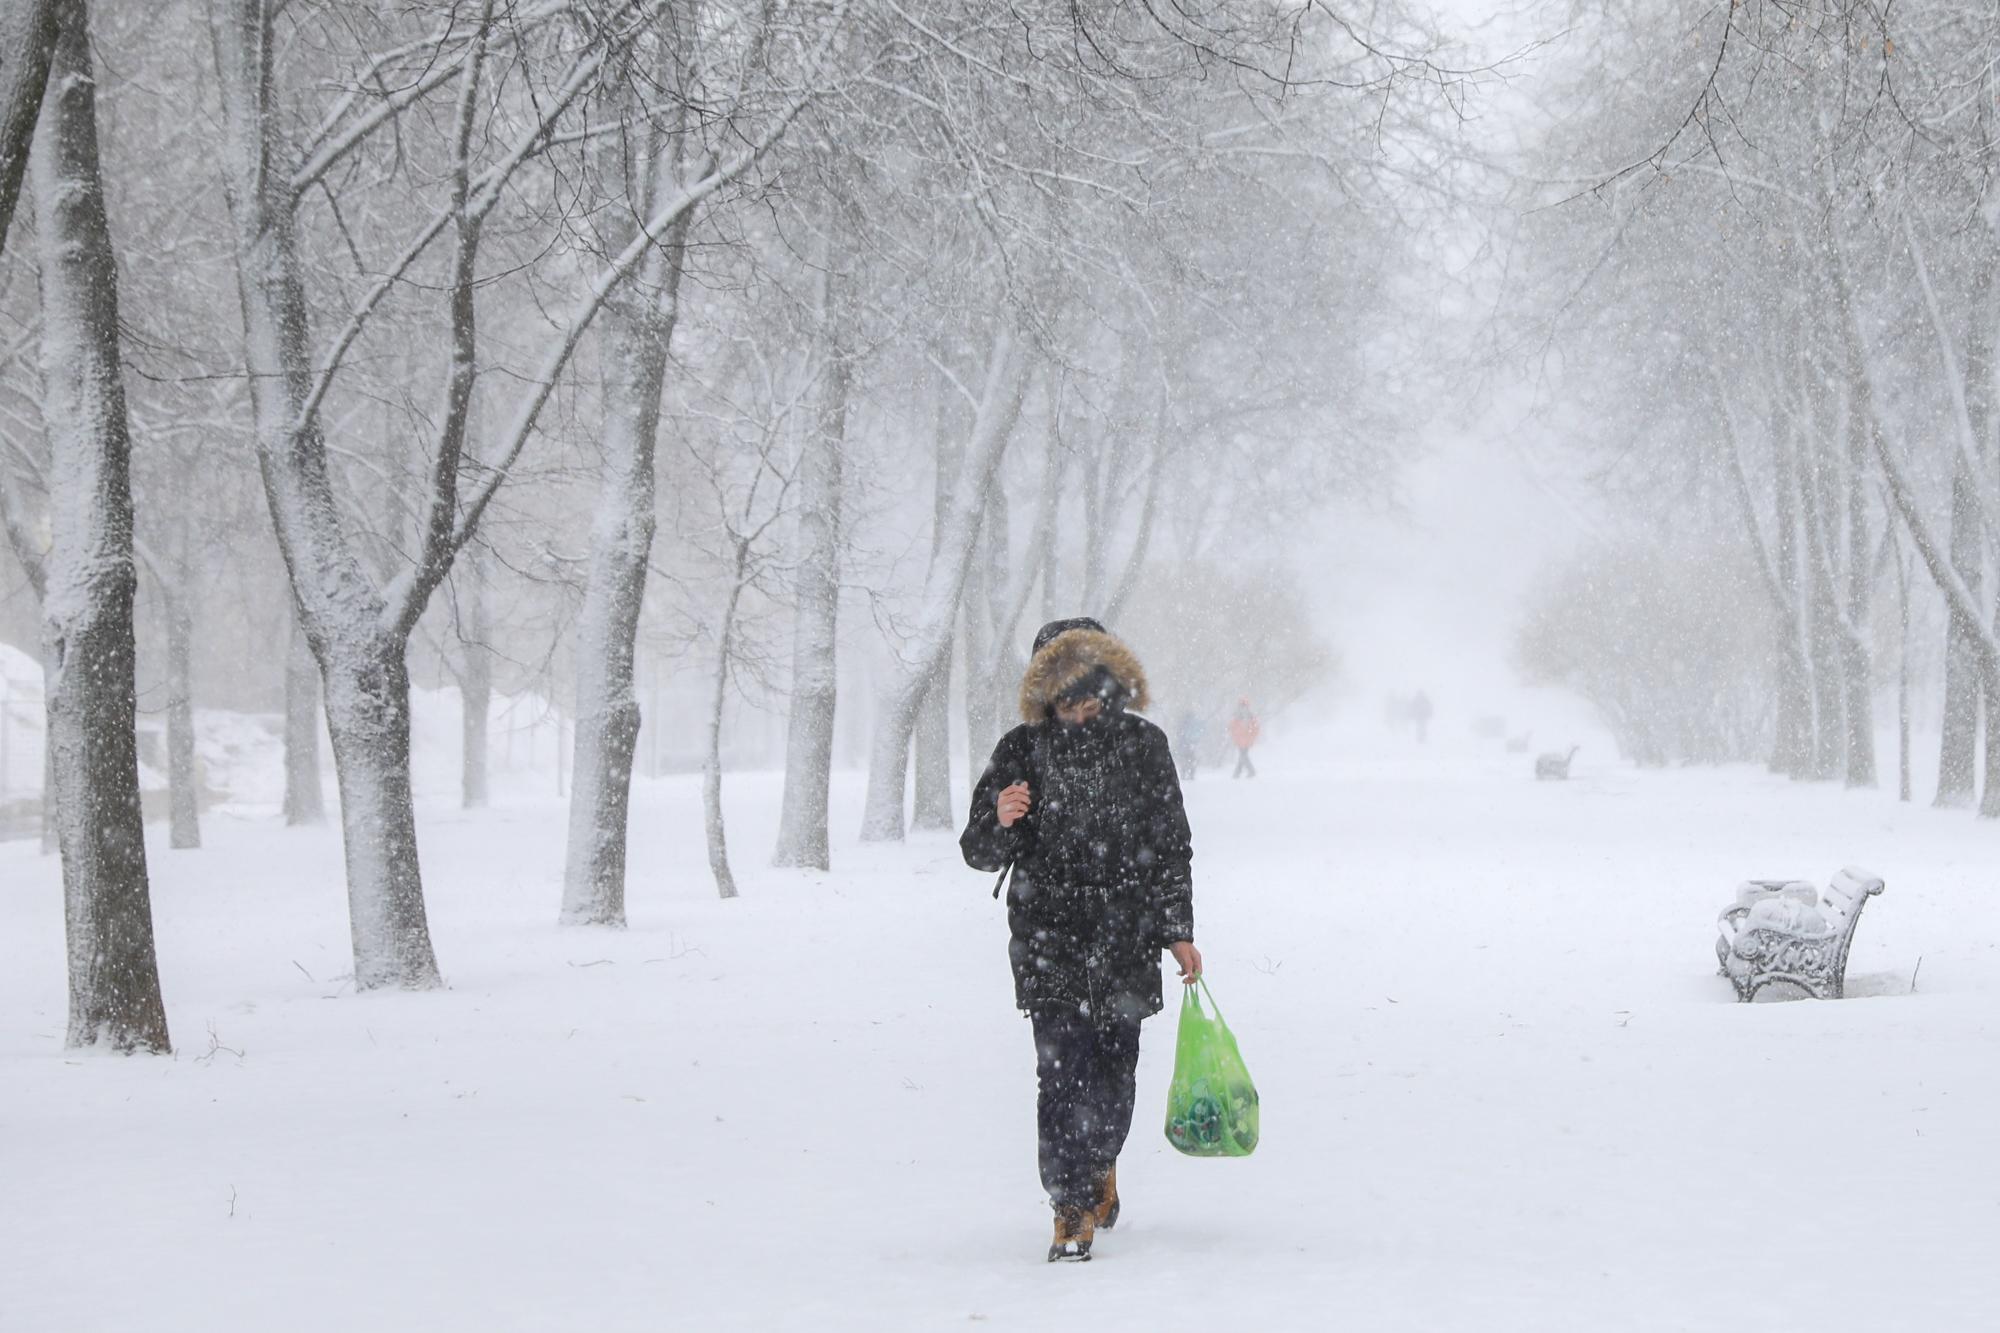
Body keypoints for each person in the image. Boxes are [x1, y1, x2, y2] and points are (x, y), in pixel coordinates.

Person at [960, 617, 1200, 1263]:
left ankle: (1100, 1165)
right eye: (1065, 696)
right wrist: (998, 819)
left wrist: (1177, 930)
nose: (1078, 708)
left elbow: (1170, 847)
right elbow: (977, 850)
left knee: (1115, 1072)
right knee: (1061, 1073)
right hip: (1048, 937)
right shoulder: (1021, 749)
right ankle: (1069, 1203)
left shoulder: (1144, 746)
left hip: (1126, 935)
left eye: (1088, 693)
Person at [1228, 697, 1260, 778]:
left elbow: (1255, 728)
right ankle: (1239, 772)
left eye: (1244, 705)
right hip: (1242, 739)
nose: (1243, 707)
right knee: (1243, 755)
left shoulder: (1246, 716)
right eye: (1242, 705)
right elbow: (1232, 728)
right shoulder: (1246, 716)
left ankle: (1248, 771)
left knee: (1243, 755)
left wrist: (1251, 736)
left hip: (1244, 739)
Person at [1174, 708, 1206, 780]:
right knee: (1191, 760)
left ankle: (1184, 773)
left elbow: (1179, 734)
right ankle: (1190, 774)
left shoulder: (1183, 724)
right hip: (1190, 745)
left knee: (1185, 760)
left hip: (1184, 746)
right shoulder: (1193, 724)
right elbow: (1198, 732)